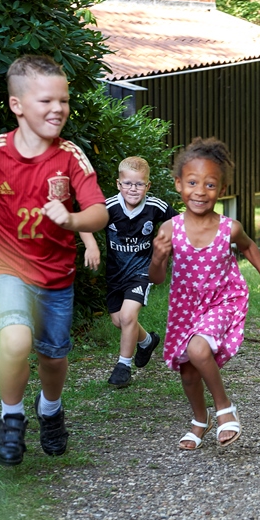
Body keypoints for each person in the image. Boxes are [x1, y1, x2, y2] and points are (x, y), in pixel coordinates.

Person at [0, 55, 108, 466]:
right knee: (15, 340)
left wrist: (72, 219)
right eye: (46, 101)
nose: (58, 109)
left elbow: (99, 212)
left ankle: (50, 411)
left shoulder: (70, 156)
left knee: (53, 356)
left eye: (64, 100)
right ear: (17, 105)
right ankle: (12, 417)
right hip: (6, 265)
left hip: (56, 274)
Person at [149, 137, 260, 450]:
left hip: (223, 301)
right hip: (185, 308)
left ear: (222, 190)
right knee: (187, 373)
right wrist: (158, 257)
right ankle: (200, 420)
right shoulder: (169, 229)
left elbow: (249, 247)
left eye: (210, 185)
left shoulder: (229, 228)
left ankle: (225, 410)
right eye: (193, 182)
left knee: (199, 351)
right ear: (178, 184)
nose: (200, 191)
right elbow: (156, 278)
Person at [80, 156, 176, 388]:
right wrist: (91, 246)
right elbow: (84, 222)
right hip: (115, 274)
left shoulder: (156, 207)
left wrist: (167, 245)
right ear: (118, 184)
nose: (133, 189)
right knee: (118, 321)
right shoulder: (109, 206)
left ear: (147, 186)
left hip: (142, 271)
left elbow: (179, 223)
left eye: (139, 184)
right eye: (128, 184)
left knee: (127, 316)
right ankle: (147, 341)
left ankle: (123, 367)